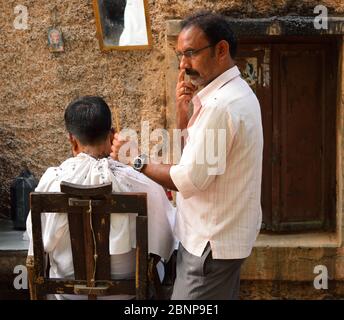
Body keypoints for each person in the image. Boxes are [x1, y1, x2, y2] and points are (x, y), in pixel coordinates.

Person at [111, 11, 263, 300]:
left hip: (210, 246)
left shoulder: (221, 106)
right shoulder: (234, 94)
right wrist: (185, 118)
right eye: (179, 54)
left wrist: (135, 159)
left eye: (191, 53)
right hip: (215, 242)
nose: (183, 64)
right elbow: (201, 161)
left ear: (221, 50)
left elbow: (188, 179)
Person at [26, 96, 176, 300]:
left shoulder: (52, 181)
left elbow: (36, 244)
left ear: (72, 138)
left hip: (69, 293)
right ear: (112, 134)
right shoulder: (139, 180)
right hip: (126, 294)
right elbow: (167, 233)